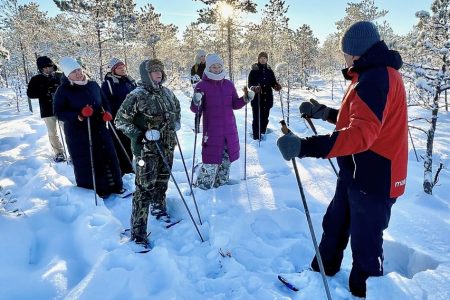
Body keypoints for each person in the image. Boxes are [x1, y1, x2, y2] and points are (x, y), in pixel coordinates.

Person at [276, 21, 407, 298]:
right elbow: (361, 119)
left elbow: (361, 135)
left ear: (356, 51)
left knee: (366, 245)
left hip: (375, 176)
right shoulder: (369, 75)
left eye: (345, 52)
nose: (344, 57)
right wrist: (325, 112)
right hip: (357, 171)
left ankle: (365, 293)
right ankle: (319, 276)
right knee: (334, 224)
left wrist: (304, 146)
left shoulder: (376, 79)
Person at [115, 59, 181, 248]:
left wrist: (175, 122)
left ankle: (159, 209)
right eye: (153, 71)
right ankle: (138, 232)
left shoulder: (167, 93)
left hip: (167, 147)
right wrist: (140, 134)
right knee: (144, 189)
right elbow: (120, 120)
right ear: (146, 74)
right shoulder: (136, 95)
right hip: (146, 151)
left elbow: (176, 109)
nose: (158, 73)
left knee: (162, 181)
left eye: (160, 70)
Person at [54, 57, 123, 198]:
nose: (78, 73)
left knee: (108, 155)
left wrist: (107, 113)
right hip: (79, 133)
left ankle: (115, 185)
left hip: (99, 127)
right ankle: (95, 190)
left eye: (79, 69)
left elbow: (104, 102)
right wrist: (78, 115)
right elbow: (58, 113)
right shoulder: (63, 90)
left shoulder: (93, 85)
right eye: (74, 72)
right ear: (68, 75)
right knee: (89, 159)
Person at [190, 53, 253, 190]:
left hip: (229, 130)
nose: (217, 69)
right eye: (213, 66)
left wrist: (245, 99)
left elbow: (235, 104)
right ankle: (202, 190)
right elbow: (196, 109)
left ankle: (222, 189)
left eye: (219, 66)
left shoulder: (228, 85)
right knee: (210, 163)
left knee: (226, 161)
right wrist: (196, 100)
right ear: (208, 68)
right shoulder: (201, 85)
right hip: (212, 131)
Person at [101, 57, 137, 175]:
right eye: (119, 67)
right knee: (120, 144)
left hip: (133, 118)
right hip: (117, 119)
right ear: (113, 70)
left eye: (123, 67)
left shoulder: (130, 80)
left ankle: (131, 165)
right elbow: (104, 101)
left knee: (133, 142)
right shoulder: (108, 83)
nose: (122, 69)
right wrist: (108, 113)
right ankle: (123, 169)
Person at [27, 56, 66, 162]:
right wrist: (45, 90)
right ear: (41, 69)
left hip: (63, 108)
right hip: (47, 109)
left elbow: (69, 89)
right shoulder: (36, 79)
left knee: (68, 131)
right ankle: (59, 153)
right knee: (52, 132)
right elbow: (30, 94)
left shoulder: (61, 76)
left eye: (50, 67)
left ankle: (72, 151)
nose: (48, 69)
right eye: (45, 68)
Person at [247, 51, 281, 141]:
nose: (263, 60)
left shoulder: (270, 71)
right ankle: (256, 136)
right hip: (257, 98)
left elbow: (273, 82)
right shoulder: (254, 71)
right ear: (258, 59)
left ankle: (262, 131)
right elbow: (250, 84)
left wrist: (276, 86)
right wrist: (254, 88)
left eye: (264, 58)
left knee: (265, 117)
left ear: (267, 59)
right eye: (261, 58)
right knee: (257, 118)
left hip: (268, 98)